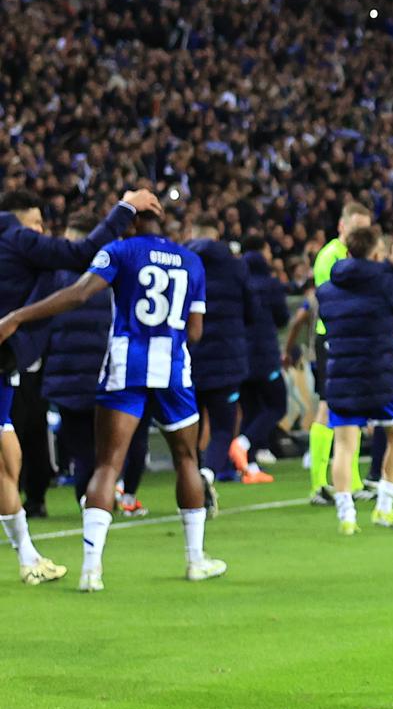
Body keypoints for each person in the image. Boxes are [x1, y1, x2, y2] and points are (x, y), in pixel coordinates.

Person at [0, 201, 226, 591]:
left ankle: (91, 570)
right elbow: (195, 331)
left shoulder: (120, 250)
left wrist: (18, 316)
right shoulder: (191, 260)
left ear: (131, 223)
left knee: (107, 464)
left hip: (126, 363)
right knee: (187, 459)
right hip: (172, 368)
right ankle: (196, 560)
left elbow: (79, 293)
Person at [0, 186, 155, 585]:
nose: (40, 230)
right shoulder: (17, 238)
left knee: (8, 456)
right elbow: (80, 253)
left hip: (9, 366)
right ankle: (28, 556)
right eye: (37, 222)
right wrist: (125, 208)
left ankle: (28, 556)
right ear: (20, 218)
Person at [315, 226, 393, 534]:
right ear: (376, 254)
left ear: (347, 251)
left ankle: (346, 516)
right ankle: (384, 507)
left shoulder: (327, 289)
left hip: (342, 375)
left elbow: (328, 322)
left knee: (344, 445)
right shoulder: (386, 283)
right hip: (380, 375)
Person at [41, 227, 148, 515]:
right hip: (110, 374)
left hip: (66, 377)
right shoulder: (116, 277)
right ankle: (120, 496)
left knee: (82, 450)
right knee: (114, 447)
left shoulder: (55, 279)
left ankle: (88, 502)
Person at [286, 202, 372, 504]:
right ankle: (319, 484)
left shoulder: (355, 257)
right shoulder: (330, 256)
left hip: (351, 339)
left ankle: (352, 481)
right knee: (327, 406)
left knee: (352, 407)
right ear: (342, 226)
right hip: (333, 338)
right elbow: (332, 300)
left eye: (366, 229)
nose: (362, 234)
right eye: (357, 227)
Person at [185, 217, 255, 495]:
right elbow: (252, 310)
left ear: (193, 233)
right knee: (223, 427)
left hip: (188, 356)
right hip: (227, 358)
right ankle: (207, 473)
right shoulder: (235, 266)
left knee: (189, 424)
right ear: (217, 234)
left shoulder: (182, 262)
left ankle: (190, 477)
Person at [233, 235, 290, 480]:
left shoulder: (237, 283)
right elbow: (282, 318)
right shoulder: (271, 284)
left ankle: (250, 467)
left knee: (251, 409)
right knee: (277, 404)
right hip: (264, 355)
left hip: (240, 355)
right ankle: (243, 443)